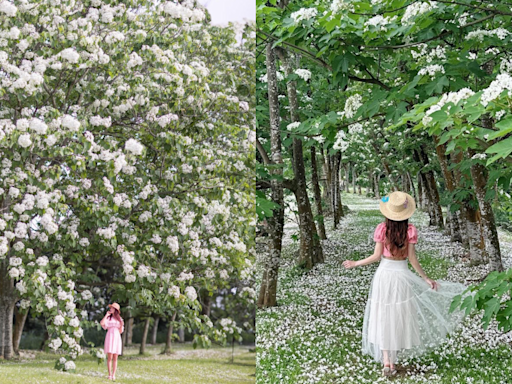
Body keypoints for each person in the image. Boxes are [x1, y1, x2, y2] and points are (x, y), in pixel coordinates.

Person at [343, 191, 470, 377]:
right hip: (401, 274)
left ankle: (387, 361)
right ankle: (392, 362)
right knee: (397, 315)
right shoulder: (409, 231)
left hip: (384, 275)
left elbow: (376, 256)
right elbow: (412, 259)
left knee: (384, 315)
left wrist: (356, 263)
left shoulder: (382, 229)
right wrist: (425, 278)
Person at [100, 302, 124, 381]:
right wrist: (106, 315)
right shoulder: (108, 318)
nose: (111, 309)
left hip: (116, 336)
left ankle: (114, 374)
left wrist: (121, 324)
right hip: (110, 335)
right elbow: (102, 323)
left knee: (115, 357)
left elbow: (120, 331)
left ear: (116, 310)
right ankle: (109, 374)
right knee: (109, 357)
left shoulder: (119, 319)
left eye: (112, 308)